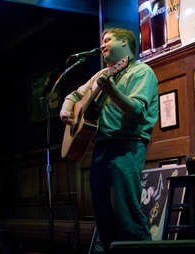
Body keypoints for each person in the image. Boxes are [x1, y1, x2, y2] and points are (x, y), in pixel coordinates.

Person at [60, 28, 158, 252]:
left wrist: (112, 90)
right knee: (103, 217)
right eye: (102, 41)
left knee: (127, 215)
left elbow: (137, 111)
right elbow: (75, 95)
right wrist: (67, 108)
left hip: (127, 146)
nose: (102, 45)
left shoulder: (142, 72)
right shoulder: (100, 75)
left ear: (125, 42)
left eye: (107, 40)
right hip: (101, 148)